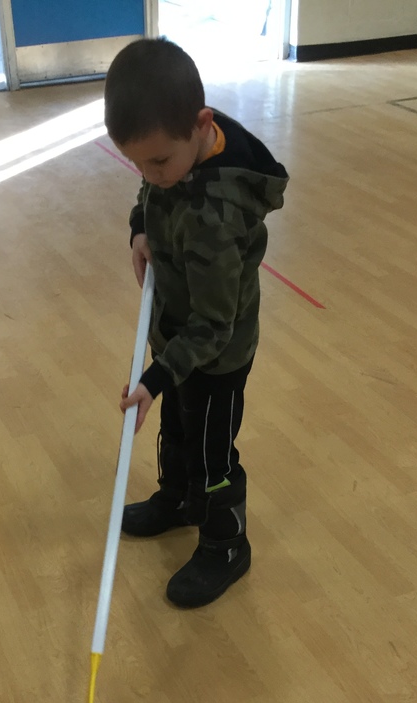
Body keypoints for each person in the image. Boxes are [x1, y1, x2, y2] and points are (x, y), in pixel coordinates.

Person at [104, 37, 288, 608]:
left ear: (202, 124)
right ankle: (177, 499)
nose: (149, 173)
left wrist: (153, 381)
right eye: (138, 162)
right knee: (178, 430)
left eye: (158, 161)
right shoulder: (177, 149)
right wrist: (140, 227)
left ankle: (225, 544)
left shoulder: (217, 217)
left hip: (216, 353)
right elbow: (151, 192)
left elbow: (213, 330)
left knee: (212, 453)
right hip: (178, 334)